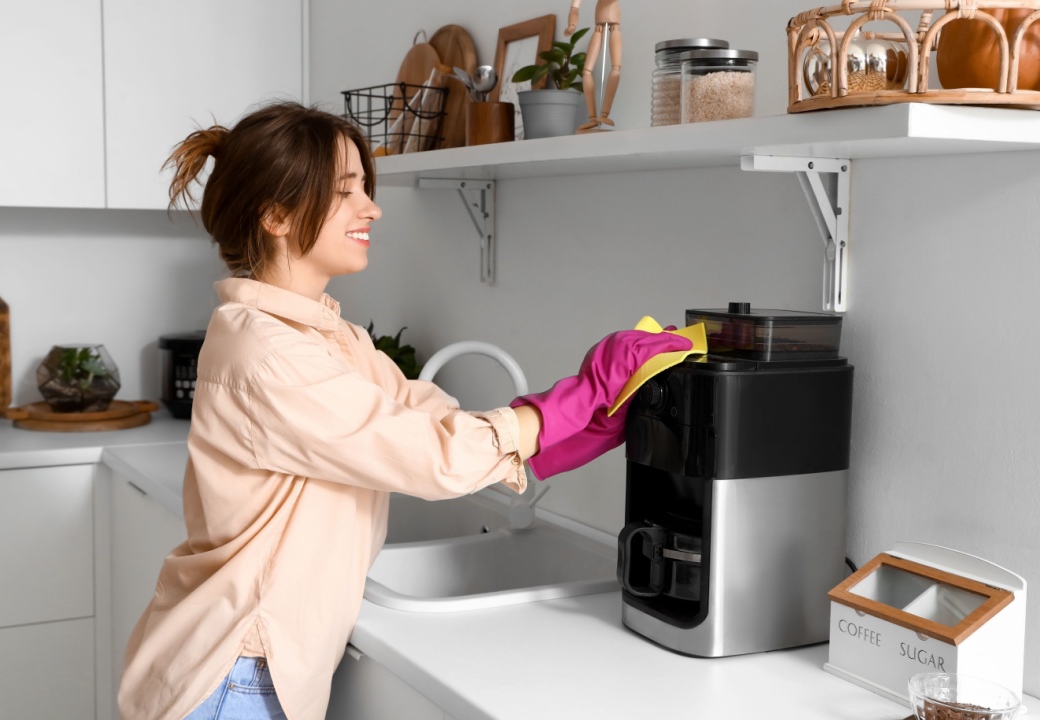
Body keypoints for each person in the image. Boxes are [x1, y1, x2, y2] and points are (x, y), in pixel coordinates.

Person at [117, 100, 691, 720]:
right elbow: (431, 456)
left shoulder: (330, 337)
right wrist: (576, 395)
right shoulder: (265, 348)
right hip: (235, 675)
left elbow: (424, 418)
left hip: (253, 670)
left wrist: (580, 425)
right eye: (345, 191)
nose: (371, 207)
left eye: (365, 187)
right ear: (277, 214)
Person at [569, 0, 622, 132]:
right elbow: (575, 7)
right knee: (586, 71)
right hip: (598, 28)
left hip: (614, 28)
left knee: (616, 67)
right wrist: (572, 24)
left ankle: (604, 114)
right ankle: (593, 118)